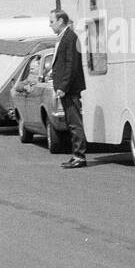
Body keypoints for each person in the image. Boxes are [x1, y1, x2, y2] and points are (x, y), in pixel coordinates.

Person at [49, 9, 87, 169]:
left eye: (52, 21)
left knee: (74, 122)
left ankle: (80, 156)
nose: (50, 25)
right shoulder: (63, 38)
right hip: (65, 88)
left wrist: (63, 87)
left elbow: (72, 64)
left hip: (70, 89)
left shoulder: (70, 37)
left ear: (60, 21)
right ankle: (75, 154)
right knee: (71, 122)